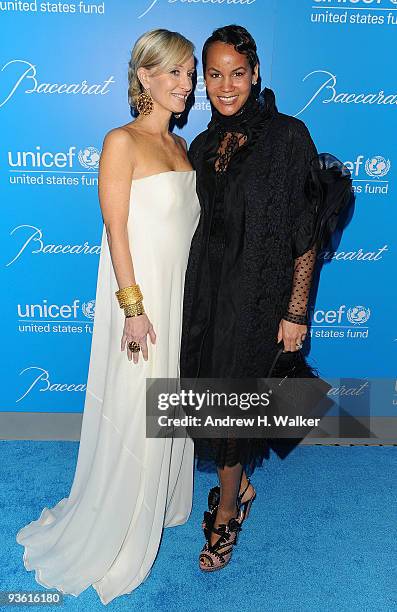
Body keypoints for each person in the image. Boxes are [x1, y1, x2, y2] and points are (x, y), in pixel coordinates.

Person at [16, 29, 200, 604]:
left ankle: (163, 498)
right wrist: (133, 307)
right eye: (175, 72)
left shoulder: (181, 148)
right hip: (143, 303)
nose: (186, 84)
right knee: (136, 407)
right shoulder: (120, 142)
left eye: (190, 72)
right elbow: (116, 232)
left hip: (178, 301)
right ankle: (119, 524)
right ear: (144, 77)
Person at [180, 24, 352, 571]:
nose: (225, 85)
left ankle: (227, 510)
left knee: (232, 412)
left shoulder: (288, 137)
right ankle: (243, 487)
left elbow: (307, 231)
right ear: (203, 80)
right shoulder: (204, 145)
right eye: (214, 74)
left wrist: (296, 312)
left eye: (237, 73)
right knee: (214, 400)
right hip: (209, 297)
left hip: (258, 300)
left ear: (256, 75)